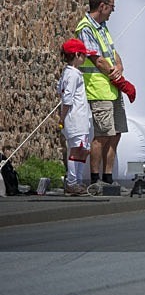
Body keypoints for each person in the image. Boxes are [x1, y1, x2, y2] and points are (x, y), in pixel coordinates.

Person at [75, 0, 135, 189]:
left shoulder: (102, 27)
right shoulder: (86, 28)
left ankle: (108, 178)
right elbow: (97, 60)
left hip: (112, 88)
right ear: (102, 6)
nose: (112, 11)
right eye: (111, 7)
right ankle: (95, 180)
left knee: (116, 133)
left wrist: (119, 66)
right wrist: (116, 76)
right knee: (102, 135)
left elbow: (112, 52)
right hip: (99, 89)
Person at [58, 39, 96, 196]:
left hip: (81, 118)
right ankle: (72, 182)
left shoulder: (72, 73)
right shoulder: (72, 74)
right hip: (75, 118)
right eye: (83, 55)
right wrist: (62, 117)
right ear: (76, 55)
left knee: (83, 150)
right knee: (76, 149)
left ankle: (78, 181)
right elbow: (68, 97)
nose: (85, 58)